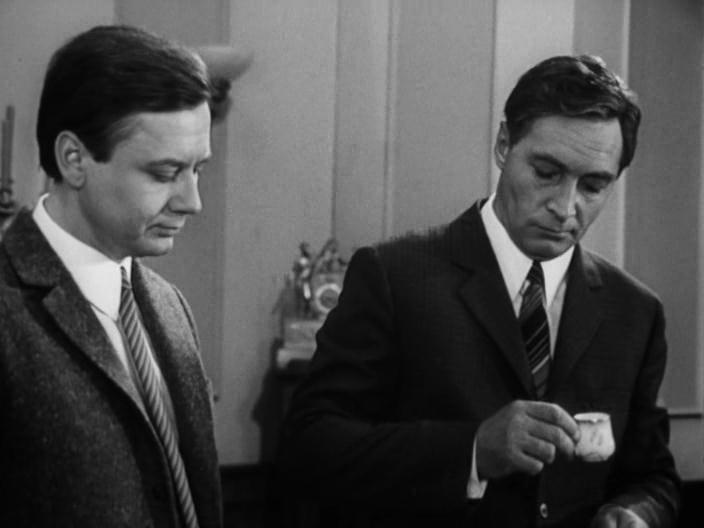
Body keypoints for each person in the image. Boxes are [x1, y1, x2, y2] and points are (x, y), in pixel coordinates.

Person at [279, 55, 681, 527]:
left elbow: (653, 479)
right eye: (547, 173)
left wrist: (634, 514)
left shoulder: (634, 311)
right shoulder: (394, 276)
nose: (565, 207)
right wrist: (472, 450)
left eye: (592, 186)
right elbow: (309, 446)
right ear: (504, 144)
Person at [0, 26, 222, 527]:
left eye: (198, 170)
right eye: (164, 174)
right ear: (74, 159)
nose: (192, 201)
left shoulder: (169, 305)